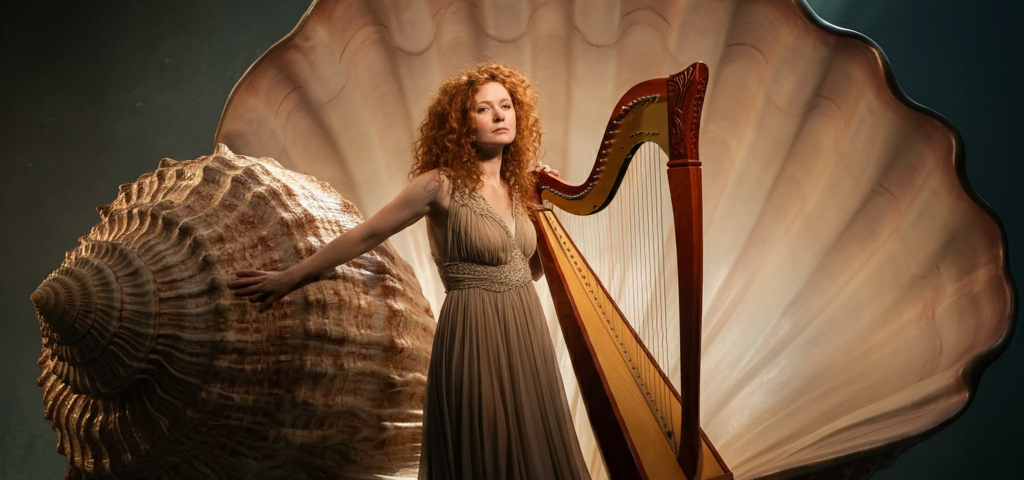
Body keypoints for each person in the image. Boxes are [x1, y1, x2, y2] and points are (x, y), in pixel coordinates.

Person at [229, 63, 591, 480]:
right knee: (483, 446)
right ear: (461, 123)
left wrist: (547, 210)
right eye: (483, 109)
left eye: (506, 106)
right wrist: (291, 276)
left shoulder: (521, 191)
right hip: (473, 332)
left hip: (525, 330)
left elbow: (530, 273)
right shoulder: (438, 185)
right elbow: (365, 235)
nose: (499, 116)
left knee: (533, 449)